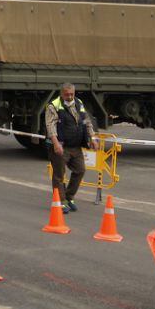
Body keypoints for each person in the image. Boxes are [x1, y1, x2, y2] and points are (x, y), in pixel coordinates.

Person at [45, 83, 99, 213]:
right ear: (62, 93)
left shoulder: (78, 103)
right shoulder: (54, 105)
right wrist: (56, 143)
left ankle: (69, 197)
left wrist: (93, 137)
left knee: (80, 170)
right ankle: (60, 201)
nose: (69, 97)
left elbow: (86, 121)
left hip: (75, 146)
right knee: (59, 175)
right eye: (67, 94)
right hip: (61, 146)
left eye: (72, 94)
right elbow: (50, 125)